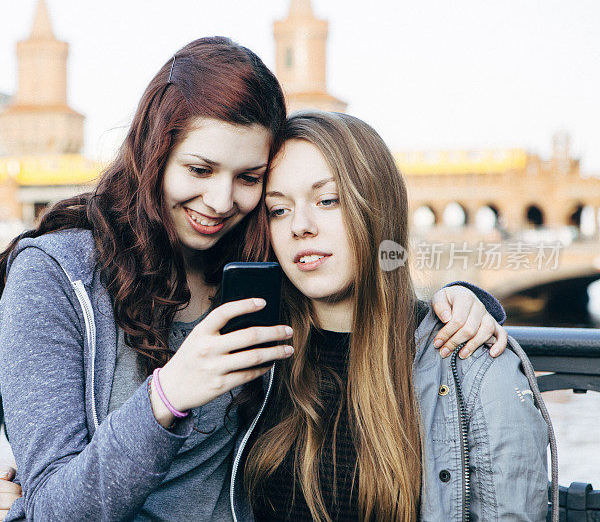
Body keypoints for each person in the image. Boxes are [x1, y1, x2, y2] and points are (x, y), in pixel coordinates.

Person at [0, 38, 509, 521]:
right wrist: (166, 398)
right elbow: (52, 509)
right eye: (200, 169)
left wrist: (465, 300)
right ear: (152, 153)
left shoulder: (255, 261)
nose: (220, 201)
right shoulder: (58, 277)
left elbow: (361, 287)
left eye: (249, 178)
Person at [235, 111, 556, 521]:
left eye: (327, 200)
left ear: (377, 209)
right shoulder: (255, 356)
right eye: (278, 209)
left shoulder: (471, 367)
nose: (300, 226)